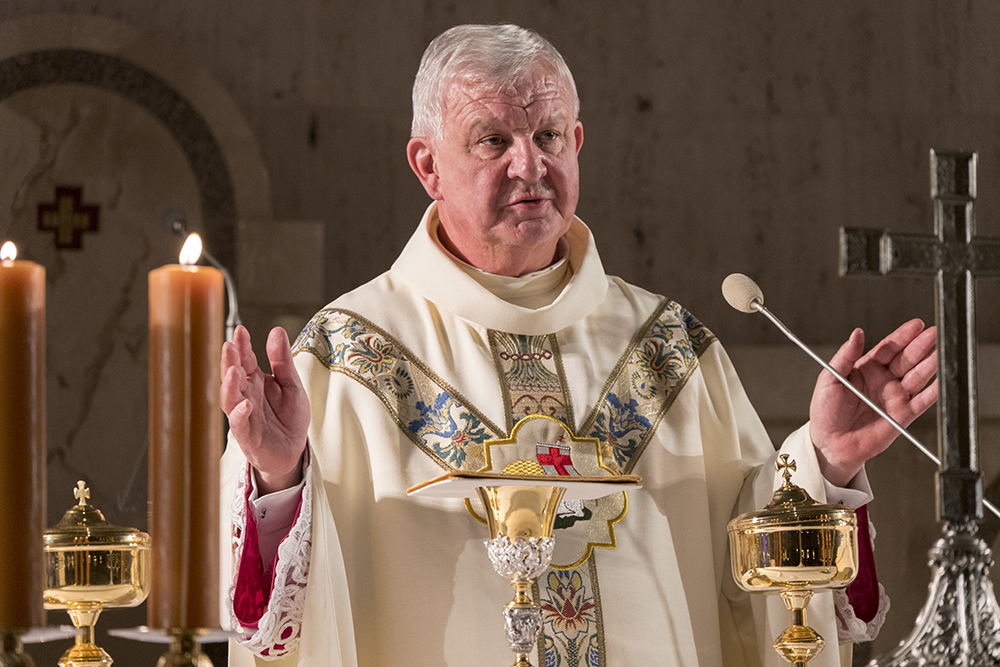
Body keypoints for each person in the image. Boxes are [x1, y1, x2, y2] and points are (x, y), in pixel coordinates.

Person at [219, 23, 938, 667]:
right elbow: (279, 620)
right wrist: (279, 480)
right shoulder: (345, 357)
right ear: (427, 165)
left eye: (549, 136)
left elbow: (746, 562)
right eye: (494, 140)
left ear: (579, 143)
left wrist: (824, 462)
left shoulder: (667, 349)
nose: (530, 165)